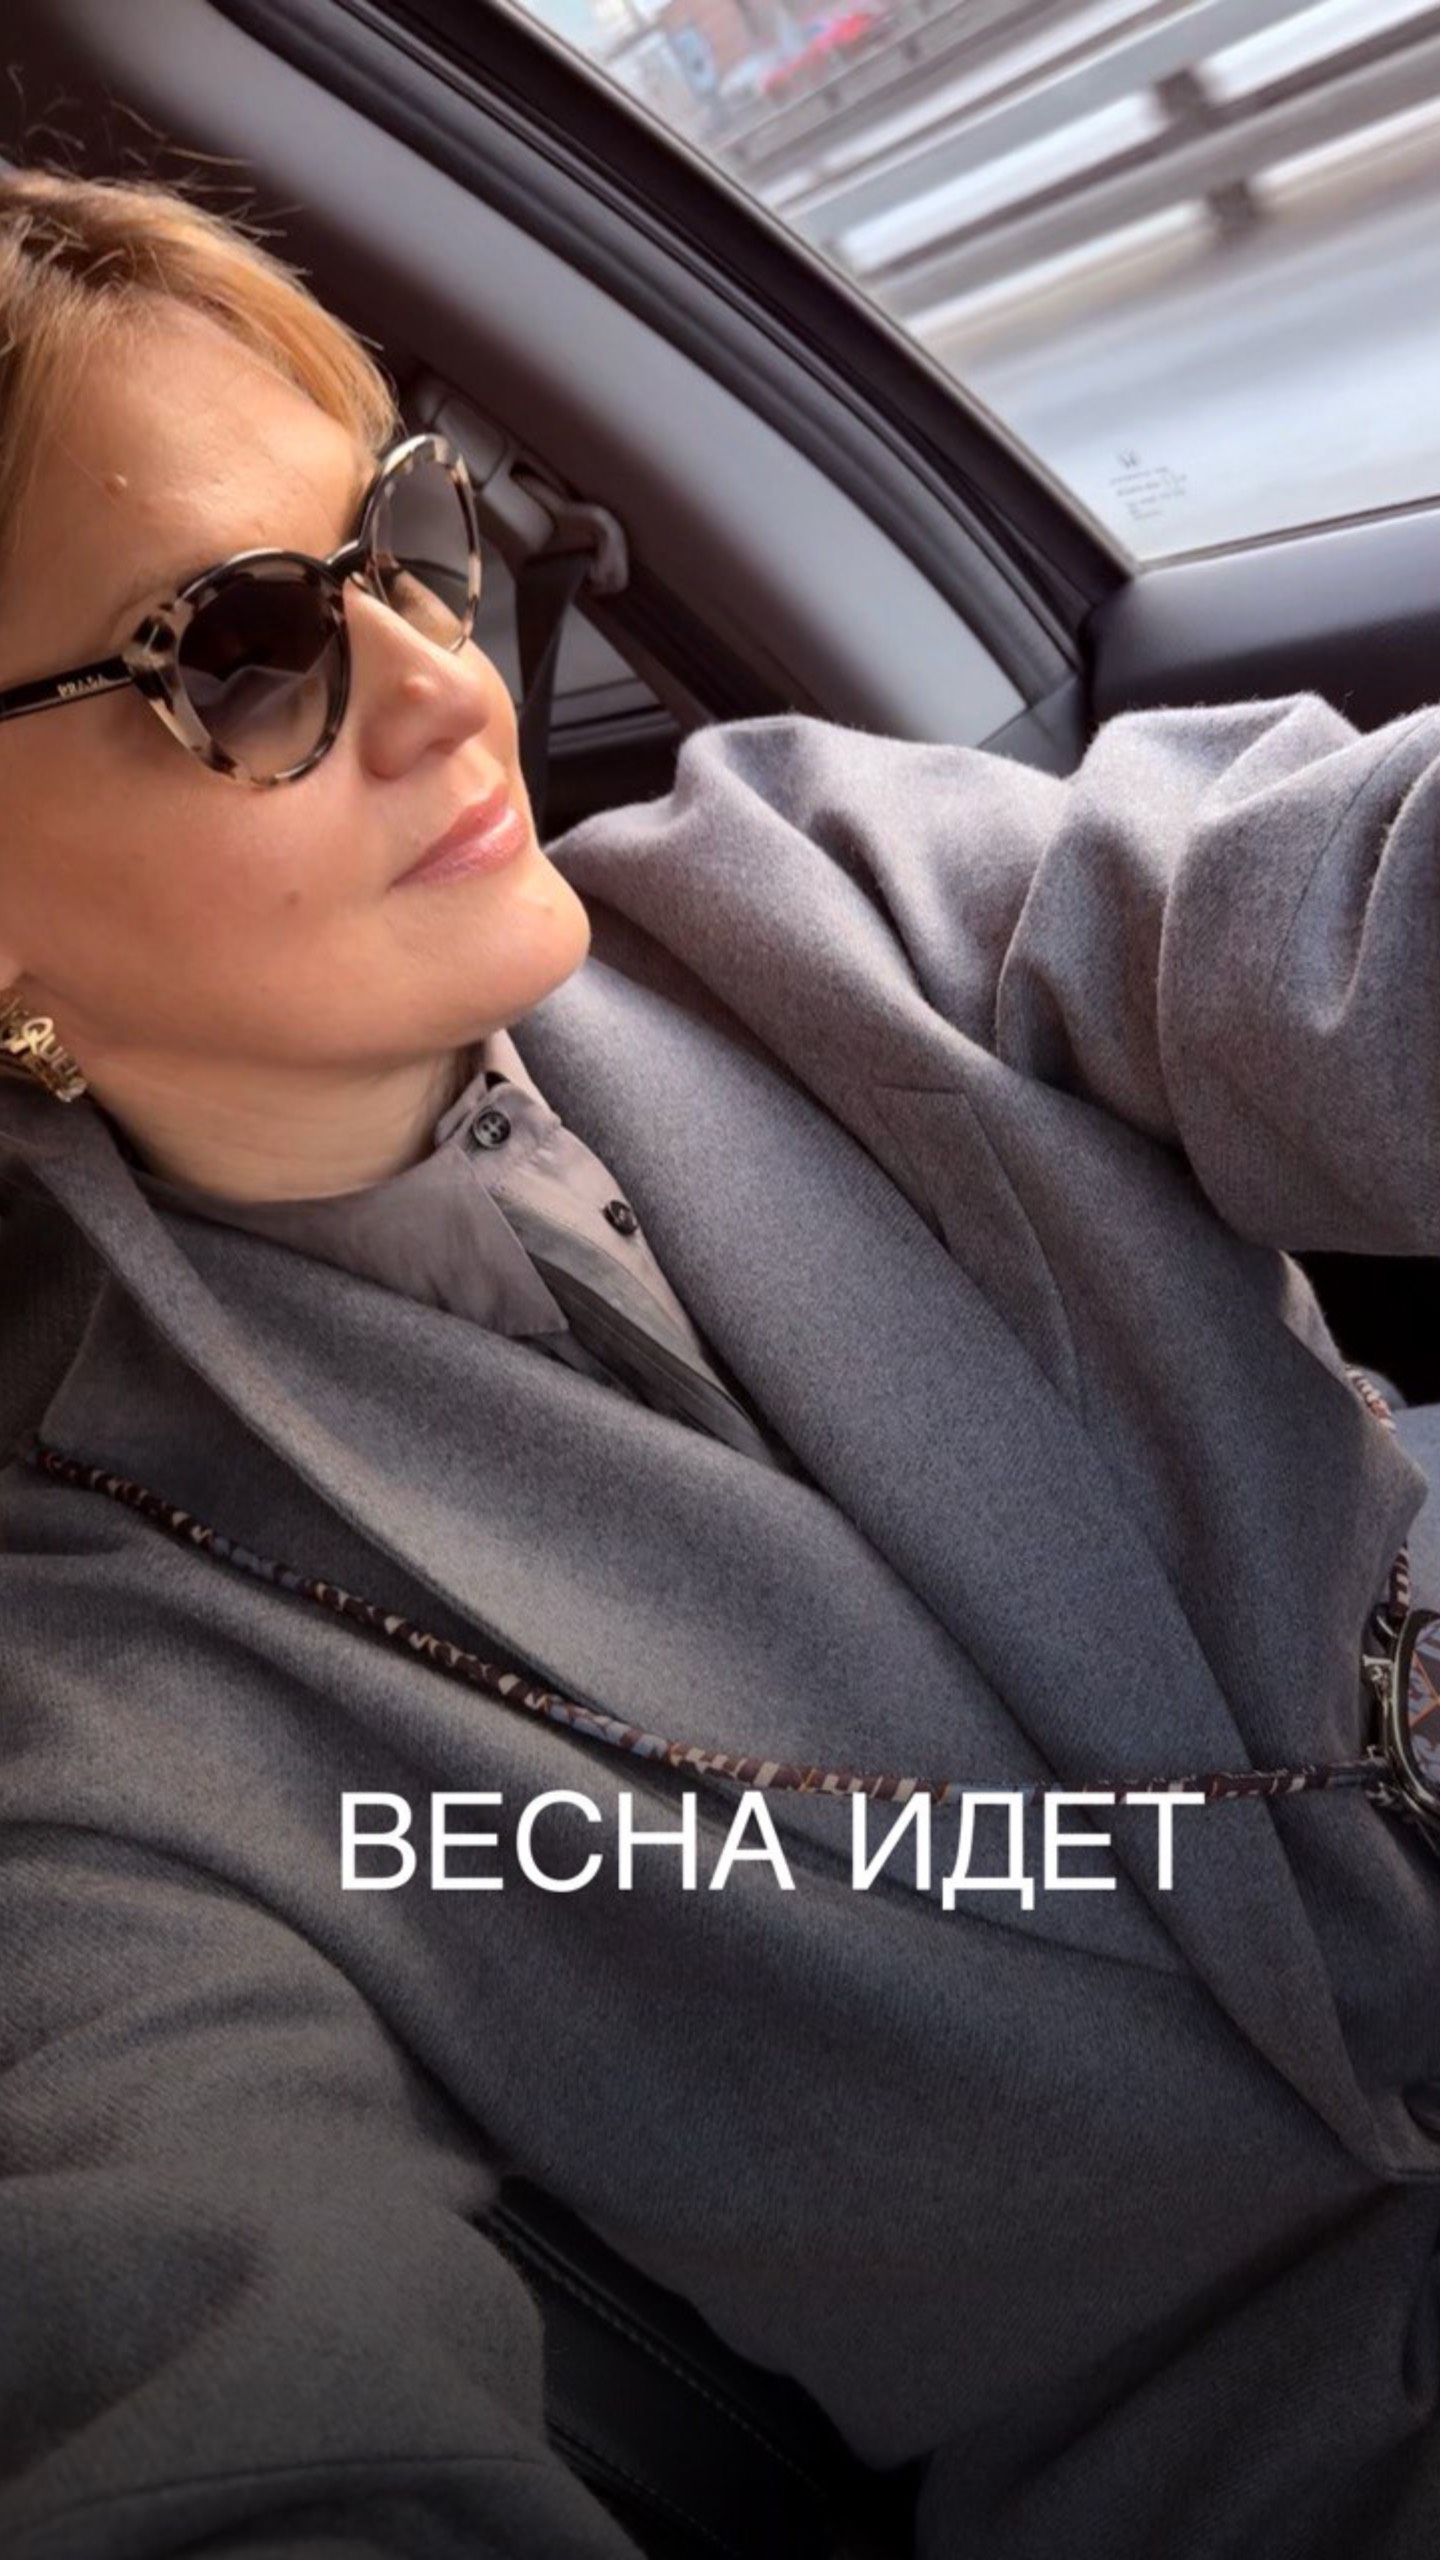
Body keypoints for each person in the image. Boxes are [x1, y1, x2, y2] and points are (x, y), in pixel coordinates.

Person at [0, 163, 1437, 2560]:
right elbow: (200, 2381)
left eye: (402, 540)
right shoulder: (101, 1716)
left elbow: (1351, 909)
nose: (449, 684)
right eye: (239, 651)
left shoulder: (814, 891)